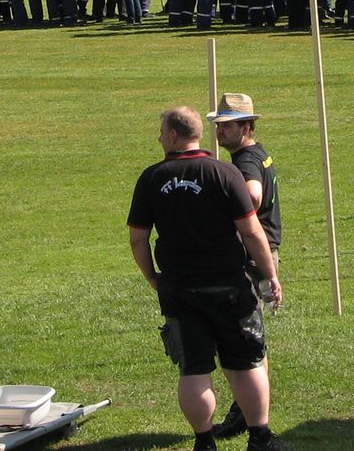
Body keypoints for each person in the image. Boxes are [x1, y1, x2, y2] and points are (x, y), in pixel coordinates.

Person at [127, 107, 285, 451]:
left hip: (179, 287)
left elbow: (138, 238)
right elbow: (252, 231)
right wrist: (271, 275)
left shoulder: (151, 178)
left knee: (194, 370)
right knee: (246, 364)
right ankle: (260, 438)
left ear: (173, 136)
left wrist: (152, 277)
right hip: (230, 285)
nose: (159, 137)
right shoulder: (225, 173)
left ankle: (204, 441)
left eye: (161, 131)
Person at [207, 93, 282, 442]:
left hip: (252, 255)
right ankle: (248, 408)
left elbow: (252, 194)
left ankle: (247, 411)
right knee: (252, 338)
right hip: (261, 251)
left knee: (248, 340)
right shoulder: (257, 154)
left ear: (247, 126)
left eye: (228, 125)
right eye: (218, 125)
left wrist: (223, 205)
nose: (220, 131)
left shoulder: (246, 161)